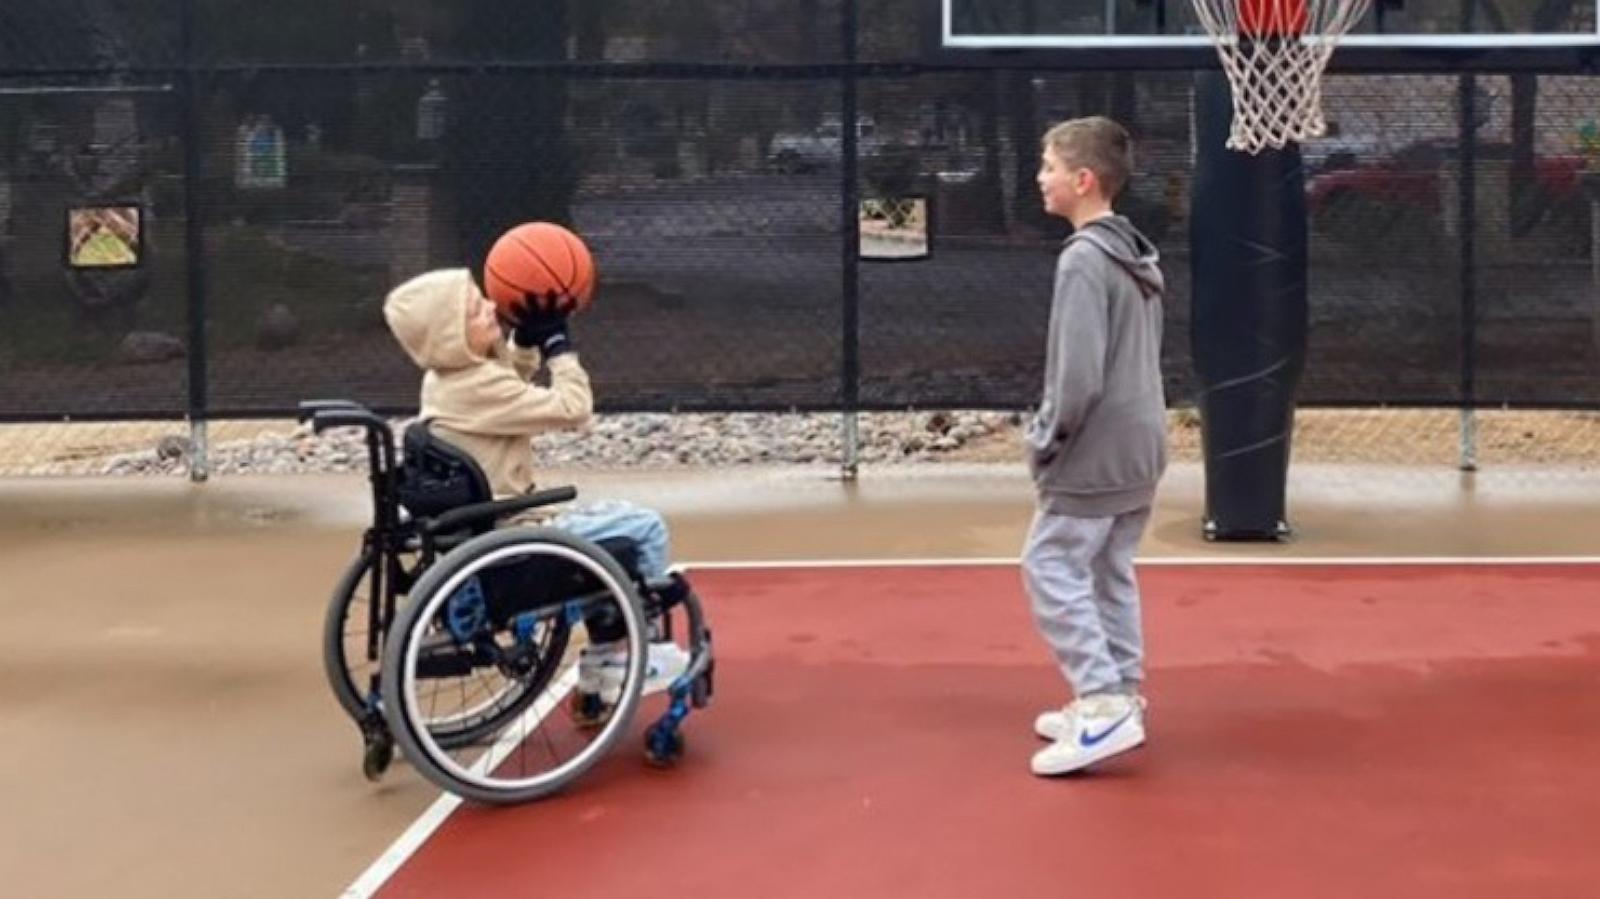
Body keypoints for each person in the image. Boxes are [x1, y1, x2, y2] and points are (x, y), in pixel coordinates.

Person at [381, 259, 691, 714]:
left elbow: (507, 387)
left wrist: (523, 342)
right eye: (475, 310)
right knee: (643, 528)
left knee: (609, 529)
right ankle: (623, 654)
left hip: (487, 534)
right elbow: (574, 409)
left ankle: (606, 652)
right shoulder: (480, 388)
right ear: (449, 335)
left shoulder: (446, 381)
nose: (491, 306)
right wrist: (559, 349)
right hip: (519, 538)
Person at [1022, 116, 1167, 777]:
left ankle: (1103, 699)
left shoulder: (1084, 259)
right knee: (1109, 568)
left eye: (1050, 165)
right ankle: (1119, 694)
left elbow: (1076, 376)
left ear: (1083, 180)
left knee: (1049, 564)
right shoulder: (1136, 254)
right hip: (1141, 440)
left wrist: (1045, 438)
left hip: (1098, 446)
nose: (1040, 177)